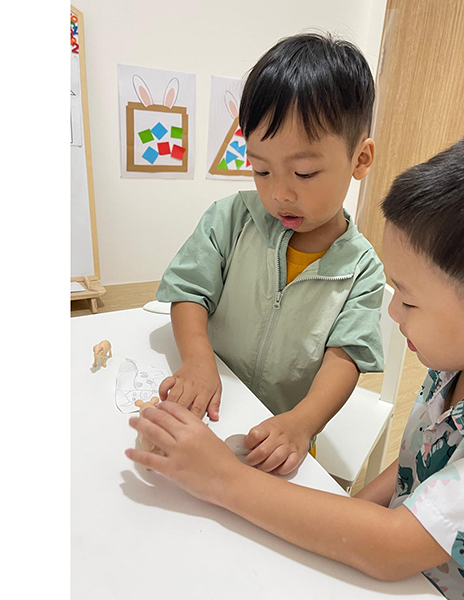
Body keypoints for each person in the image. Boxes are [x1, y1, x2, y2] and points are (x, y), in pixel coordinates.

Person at [133, 122, 464, 600]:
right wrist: (347, 512)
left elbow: (393, 548)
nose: (393, 313)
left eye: (409, 300)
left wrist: (222, 479)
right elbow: (421, 464)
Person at [156, 32, 384, 475]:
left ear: (360, 159)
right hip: (214, 399)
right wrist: (198, 360)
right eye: (261, 169)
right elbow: (187, 291)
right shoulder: (230, 219)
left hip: (281, 432)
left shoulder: (362, 269)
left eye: (304, 172)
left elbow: (347, 357)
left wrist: (303, 423)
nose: (279, 193)